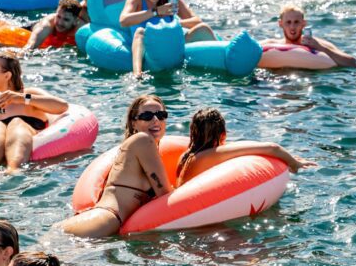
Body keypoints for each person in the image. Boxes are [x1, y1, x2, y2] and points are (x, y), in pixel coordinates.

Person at [62, 95, 173, 237]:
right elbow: (165, 194)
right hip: (105, 219)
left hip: (99, 220)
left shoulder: (137, 149)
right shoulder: (143, 140)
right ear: (134, 123)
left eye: (161, 115)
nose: (156, 120)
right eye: (147, 116)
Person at [0, 51, 68, 173]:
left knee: (17, 122)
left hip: (25, 142)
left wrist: (22, 99)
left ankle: (13, 169)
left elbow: (62, 106)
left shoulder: (30, 95)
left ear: (7, 76)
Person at [119, 0, 216, 76]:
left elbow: (196, 20)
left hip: (171, 44)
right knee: (140, 31)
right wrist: (156, 12)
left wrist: (173, 25)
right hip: (149, 46)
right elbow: (123, 21)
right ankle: (137, 74)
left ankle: (218, 60)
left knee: (203, 29)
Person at [176, 108, 316, 185]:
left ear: (192, 132)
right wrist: (295, 163)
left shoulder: (186, 156)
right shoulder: (213, 154)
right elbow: (273, 148)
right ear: (223, 134)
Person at [259, 4, 356, 68]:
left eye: (296, 22)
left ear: (303, 24)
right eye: (288, 22)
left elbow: (352, 63)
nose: (292, 27)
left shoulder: (318, 44)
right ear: (280, 24)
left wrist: (321, 48)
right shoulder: (271, 44)